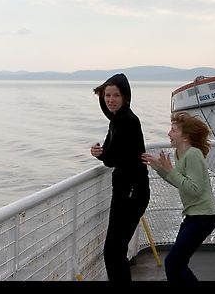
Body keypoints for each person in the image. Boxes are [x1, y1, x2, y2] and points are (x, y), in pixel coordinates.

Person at [141, 111, 215, 282]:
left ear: (185, 137)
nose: (169, 133)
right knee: (178, 262)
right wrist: (159, 167)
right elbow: (179, 182)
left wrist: (170, 170)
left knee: (173, 262)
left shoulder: (193, 154)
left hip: (203, 217)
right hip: (193, 217)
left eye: (174, 130)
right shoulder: (179, 154)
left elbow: (194, 189)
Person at [90, 73, 150, 281]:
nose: (110, 100)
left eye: (116, 95)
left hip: (131, 193)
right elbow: (109, 152)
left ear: (125, 97)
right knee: (116, 251)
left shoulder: (127, 121)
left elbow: (111, 157)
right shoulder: (117, 120)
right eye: (107, 95)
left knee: (113, 252)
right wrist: (101, 153)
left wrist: (102, 154)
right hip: (128, 191)